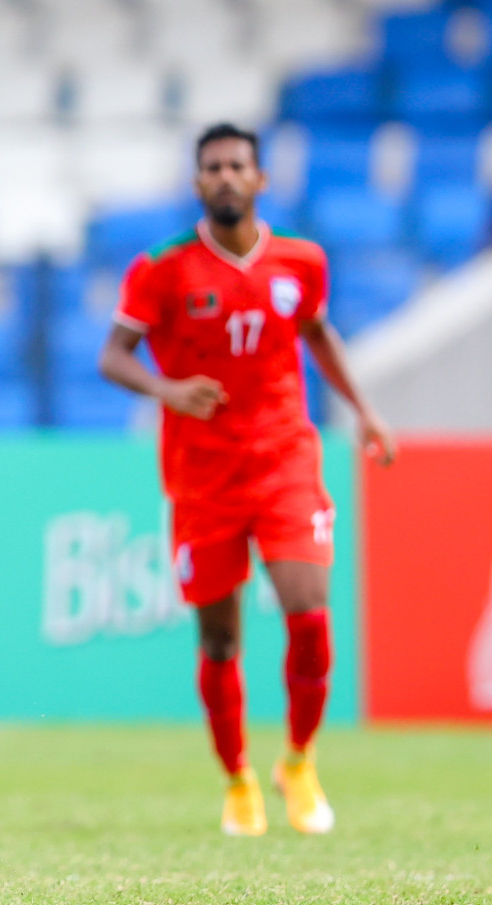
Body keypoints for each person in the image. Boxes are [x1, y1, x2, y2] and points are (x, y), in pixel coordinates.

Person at [98, 123, 396, 837]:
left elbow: (318, 333)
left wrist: (366, 411)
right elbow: (114, 356)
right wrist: (169, 391)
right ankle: (238, 779)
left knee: (311, 615)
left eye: (238, 165)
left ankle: (298, 761)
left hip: (285, 459)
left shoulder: (301, 260)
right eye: (213, 167)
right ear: (198, 182)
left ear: (260, 179)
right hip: (203, 478)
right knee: (222, 641)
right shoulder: (162, 267)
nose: (226, 176)